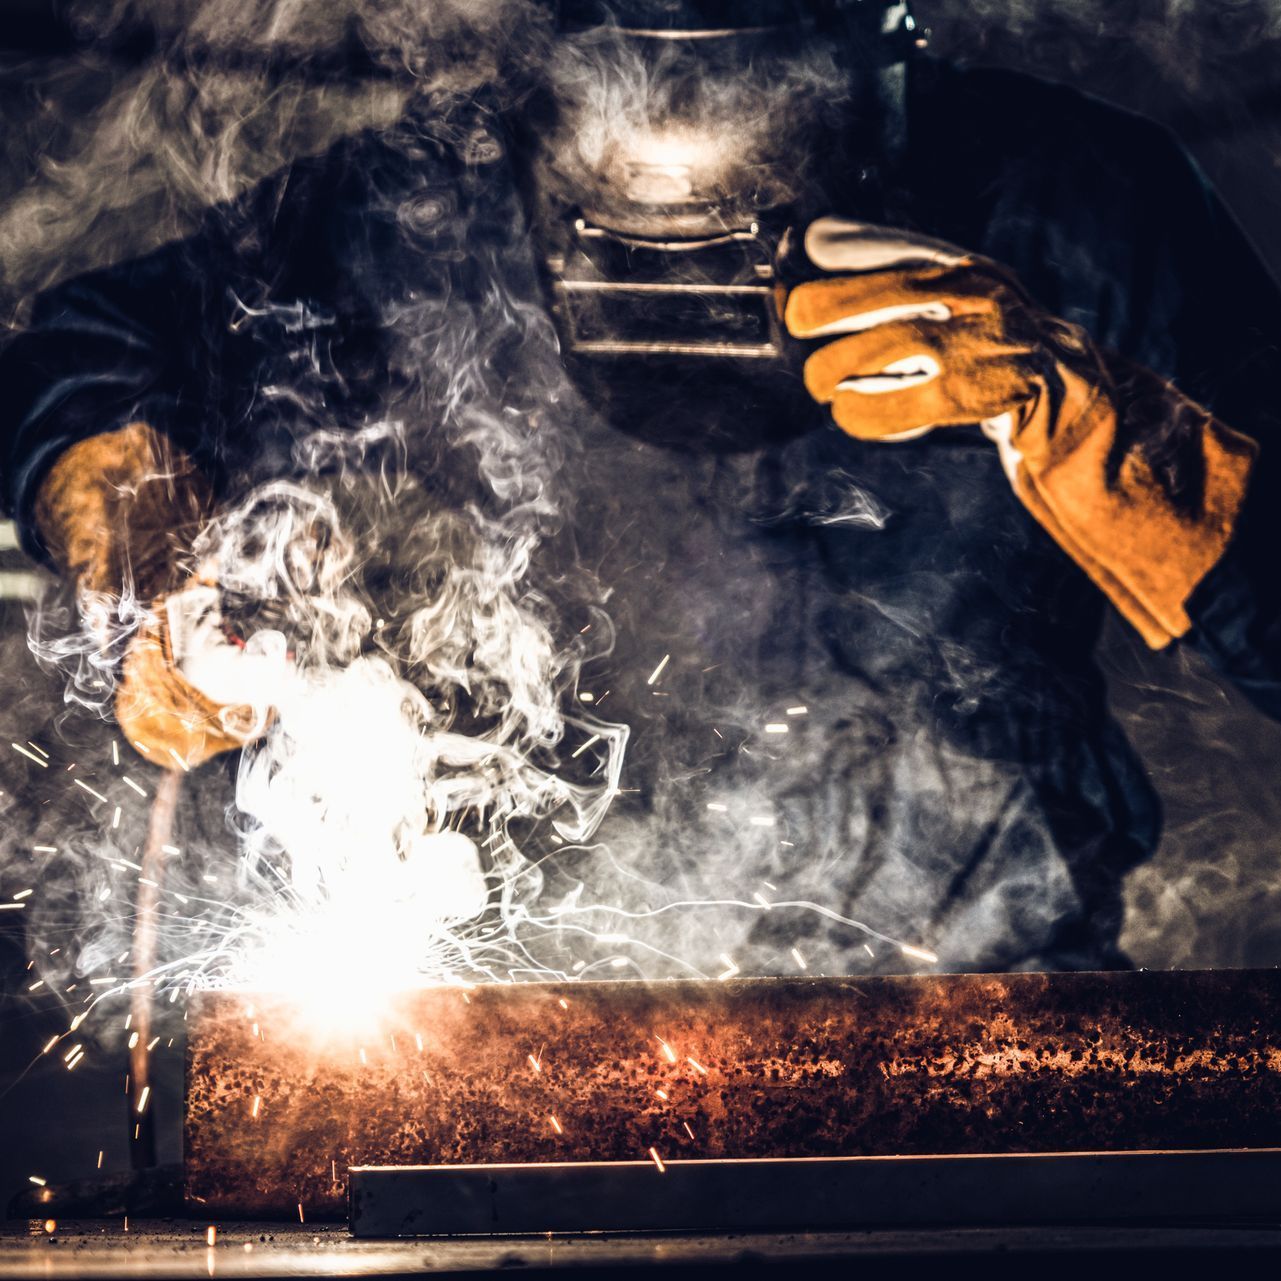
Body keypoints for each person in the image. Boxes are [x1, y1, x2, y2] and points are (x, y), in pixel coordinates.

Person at [2, 0, 1279, 974]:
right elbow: (82, 352)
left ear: (874, 78)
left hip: (985, 997)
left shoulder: (1077, 201)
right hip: (553, 1017)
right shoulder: (425, 206)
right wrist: (150, 562)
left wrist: (1119, 435)